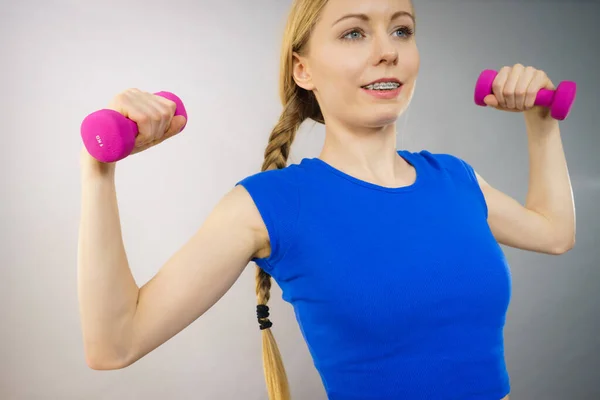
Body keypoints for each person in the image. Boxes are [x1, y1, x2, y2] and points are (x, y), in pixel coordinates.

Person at [77, 0, 576, 399]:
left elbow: (554, 233)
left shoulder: (455, 179)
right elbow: (115, 345)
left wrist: (541, 123)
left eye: (401, 29)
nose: (388, 51)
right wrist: (99, 169)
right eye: (354, 32)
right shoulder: (270, 205)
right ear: (303, 69)